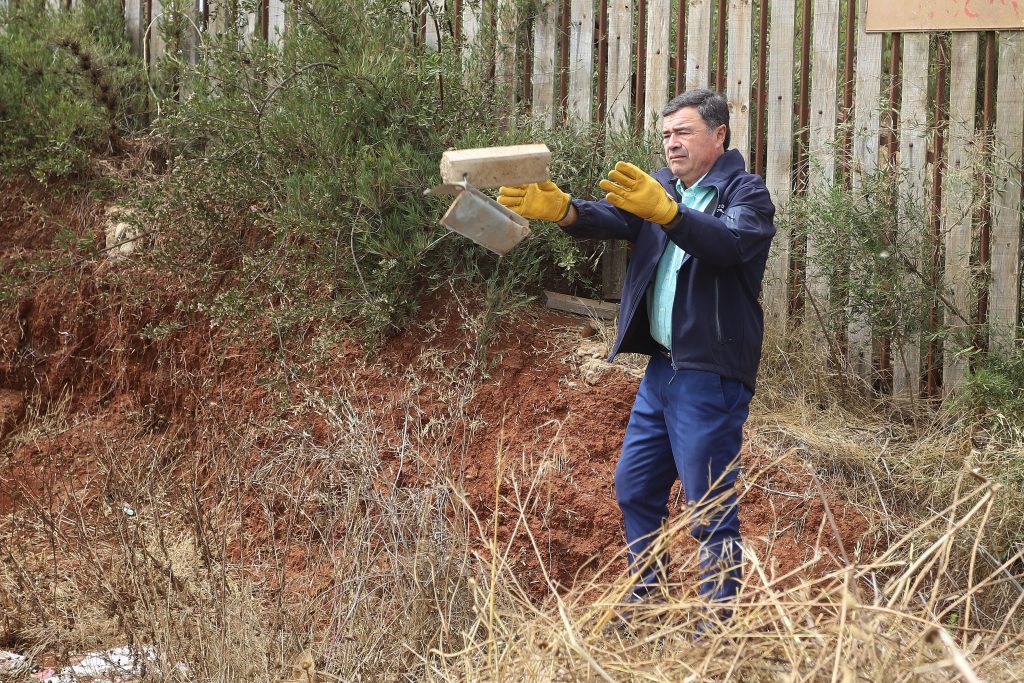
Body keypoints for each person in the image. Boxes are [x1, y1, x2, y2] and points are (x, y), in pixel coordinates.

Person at [497, 89, 776, 611]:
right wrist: (564, 211)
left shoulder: (746, 194)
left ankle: (718, 628)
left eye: (684, 132)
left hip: (709, 373)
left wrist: (669, 214)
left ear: (719, 135)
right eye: (666, 134)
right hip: (662, 370)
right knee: (634, 488)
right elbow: (616, 217)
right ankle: (646, 599)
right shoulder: (663, 191)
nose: (671, 144)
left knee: (710, 509)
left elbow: (728, 244)